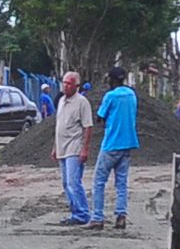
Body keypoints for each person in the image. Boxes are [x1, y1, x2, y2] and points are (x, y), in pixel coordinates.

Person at [92, 65, 141, 230]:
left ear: (111, 80)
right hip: (127, 144)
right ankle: (121, 216)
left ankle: (97, 217)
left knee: (99, 181)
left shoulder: (110, 96)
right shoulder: (132, 95)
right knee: (121, 183)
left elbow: (100, 117)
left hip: (111, 144)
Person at [50, 71, 97, 227]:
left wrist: (85, 149)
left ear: (77, 86)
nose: (66, 86)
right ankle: (75, 212)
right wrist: (55, 147)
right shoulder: (61, 101)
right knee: (65, 183)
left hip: (74, 148)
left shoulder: (82, 103)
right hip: (62, 147)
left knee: (73, 182)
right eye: (64, 82)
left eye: (69, 83)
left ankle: (83, 213)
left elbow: (88, 127)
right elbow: (59, 125)